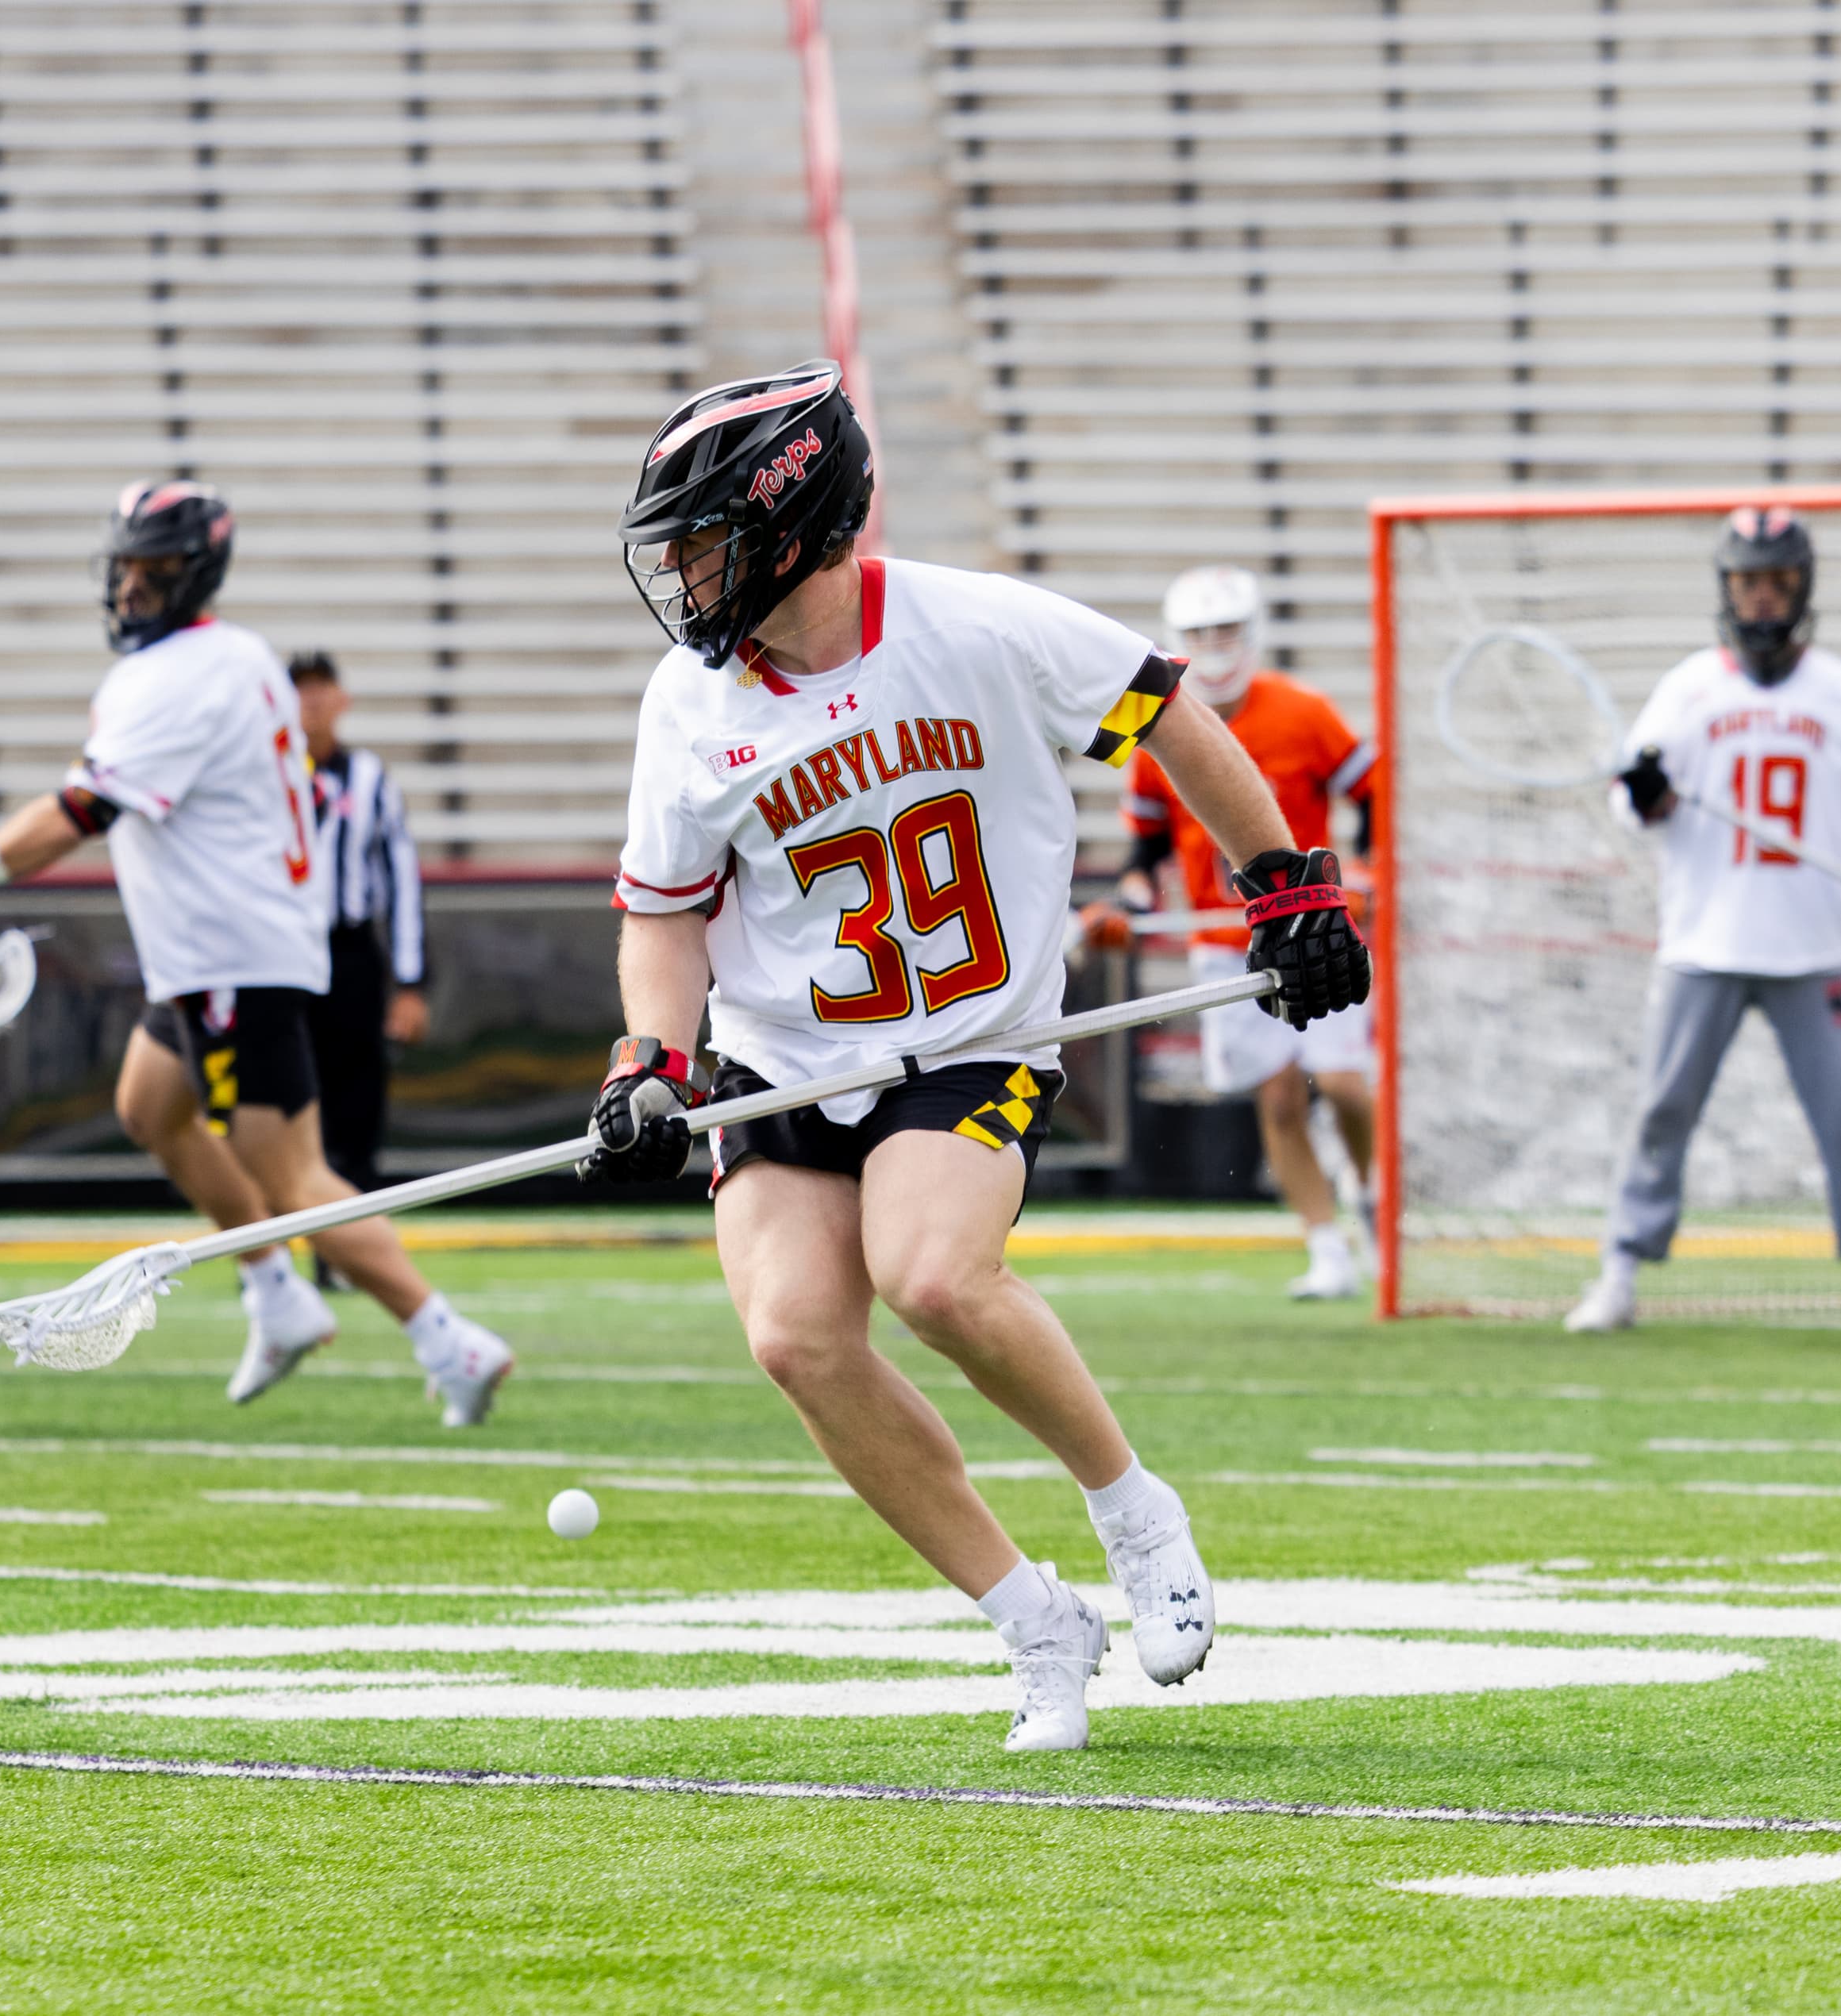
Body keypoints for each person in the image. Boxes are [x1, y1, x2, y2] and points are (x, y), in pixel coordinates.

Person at [583, 363, 1369, 1752]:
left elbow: (1169, 710)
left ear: (789, 522)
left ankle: (1134, 1510)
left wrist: (1286, 885)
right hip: (783, 1053)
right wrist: (651, 1054)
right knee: (795, 1338)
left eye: (705, 542)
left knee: (934, 1274)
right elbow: (664, 914)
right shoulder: (687, 704)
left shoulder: (980, 626)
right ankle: (1033, 1621)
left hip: (967, 1035)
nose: (688, 577)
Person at [0, 481, 516, 1425]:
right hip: (224, 944)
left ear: (194, 573)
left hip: (233, 954)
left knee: (293, 1171)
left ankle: (447, 1338)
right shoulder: (235, 654)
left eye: (153, 570)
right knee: (149, 1104)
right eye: (126, 569)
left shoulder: (173, 676)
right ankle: (276, 1292)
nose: (133, 588)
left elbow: (79, 814)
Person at [1562, 507, 1841, 1337]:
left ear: (1802, 588)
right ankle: (1620, 1273)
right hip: (1703, 943)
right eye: (1748, 582)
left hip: (1814, 946)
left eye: (1777, 583)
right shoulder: (1689, 687)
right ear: (1726, 588)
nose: (1763, 600)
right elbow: (1635, 802)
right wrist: (1645, 794)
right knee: (1662, 1111)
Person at [1084, 564, 1381, 1301]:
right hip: (1226, 944)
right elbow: (1146, 853)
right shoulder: (1155, 724)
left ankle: (1375, 1198)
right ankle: (1325, 1246)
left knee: (1345, 1084)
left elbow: (1372, 795)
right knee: (1278, 1098)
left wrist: (1368, 870)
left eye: (1227, 631)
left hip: (1314, 926)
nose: (1215, 646)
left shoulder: (1301, 711)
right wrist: (1129, 900)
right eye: (1201, 634)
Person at [285, 650, 430, 1198]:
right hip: (283, 958)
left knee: (356, 1104)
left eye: (321, 687)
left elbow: (403, 883)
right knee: (288, 1102)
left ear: (342, 700)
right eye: (300, 688)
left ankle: (349, 1243)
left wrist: (411, 984)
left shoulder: (370, 778)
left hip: (349, 956)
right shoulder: (264, 777)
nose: (312, 700)